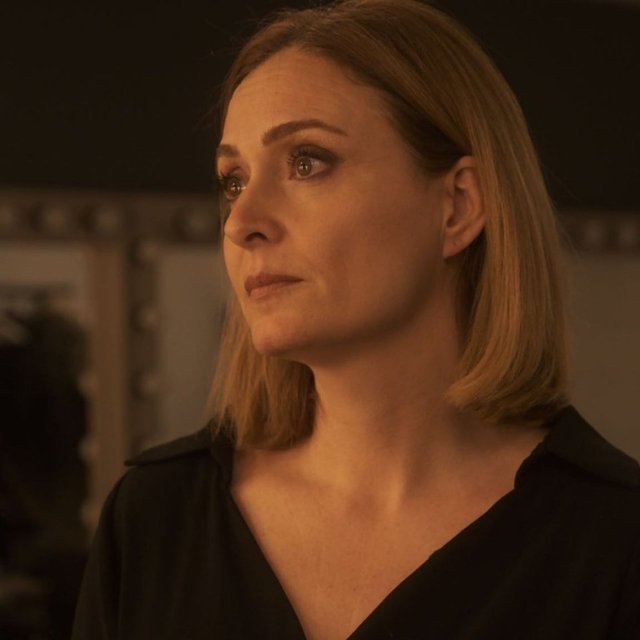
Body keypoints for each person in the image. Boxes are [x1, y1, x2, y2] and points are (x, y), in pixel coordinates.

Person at [72, 1, 640, 638]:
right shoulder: (154, 521)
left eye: (306, 161)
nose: (240, 222)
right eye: (233, 180)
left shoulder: (615, 542)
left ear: (458, 206)